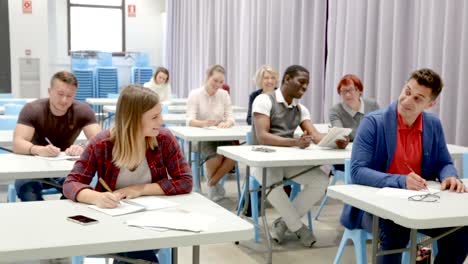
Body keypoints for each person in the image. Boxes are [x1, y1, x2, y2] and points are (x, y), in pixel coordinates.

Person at [342, 68, 468, 263]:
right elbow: (357, 171)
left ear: (431, 103)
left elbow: (444, 162)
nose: (407, 101)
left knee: (460, 231)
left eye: (418, 99)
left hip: (418, 205)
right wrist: (401, 181)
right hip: (374, 207)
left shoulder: (433, 124)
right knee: (395, 232)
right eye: (407, 92)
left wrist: (449, 176)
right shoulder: (373, 122)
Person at [63, 85, 192, 263]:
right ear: (134, 120)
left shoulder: (164, 139)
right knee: (138, 255)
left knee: (135, 253)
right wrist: (96, 198)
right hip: (113, 220)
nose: (161, 121)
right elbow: (71, 183)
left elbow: (185, 181)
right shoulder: (102, 143)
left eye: (160, 114)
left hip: (152, 220)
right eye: (154, 117)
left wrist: (140, 189)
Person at [252, 65, 349, 247]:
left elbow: (315, 135)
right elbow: (262, 136)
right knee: (272, 184)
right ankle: (298, 228)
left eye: (307, 85)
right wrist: (295, 142)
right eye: (301, 82)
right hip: (261, 161)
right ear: (287, 79)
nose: (304, 88)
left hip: (286, 161)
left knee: (321, 181)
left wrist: (334, 141)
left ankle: (283, 223)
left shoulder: (300, 109)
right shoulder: (263, 100)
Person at [12, 71, 101, 201]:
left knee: (77, 191)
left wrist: (82, 147)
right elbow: (18, 143)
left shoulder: (83, 111)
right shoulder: (32, 109)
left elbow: (99, 141)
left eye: (70, 96)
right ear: (50, 91)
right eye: (60, 94)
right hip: (32, 166)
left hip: (64, 167)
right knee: (28, 190)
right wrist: (38, 150)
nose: (64, 100)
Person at [186, 64, 236, 201]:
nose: (218, 84)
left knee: (235, 156)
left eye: (221, 82)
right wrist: (203, 123)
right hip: (202, 137)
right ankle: (214, 187)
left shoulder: (224, 94)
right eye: (215, 80)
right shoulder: (195, 94)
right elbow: (189, 120)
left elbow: (231, 116)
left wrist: (228, 123)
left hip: (221, 135)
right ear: (208, 77)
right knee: (216, 157)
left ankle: (211, 183)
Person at [329, 74, 380, 141]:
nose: (347, 94)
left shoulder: (372, 105)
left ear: (360, 91)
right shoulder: (335, 111)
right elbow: (340, 135)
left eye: (351, 90)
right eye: (343, 91)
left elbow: (380, 129)